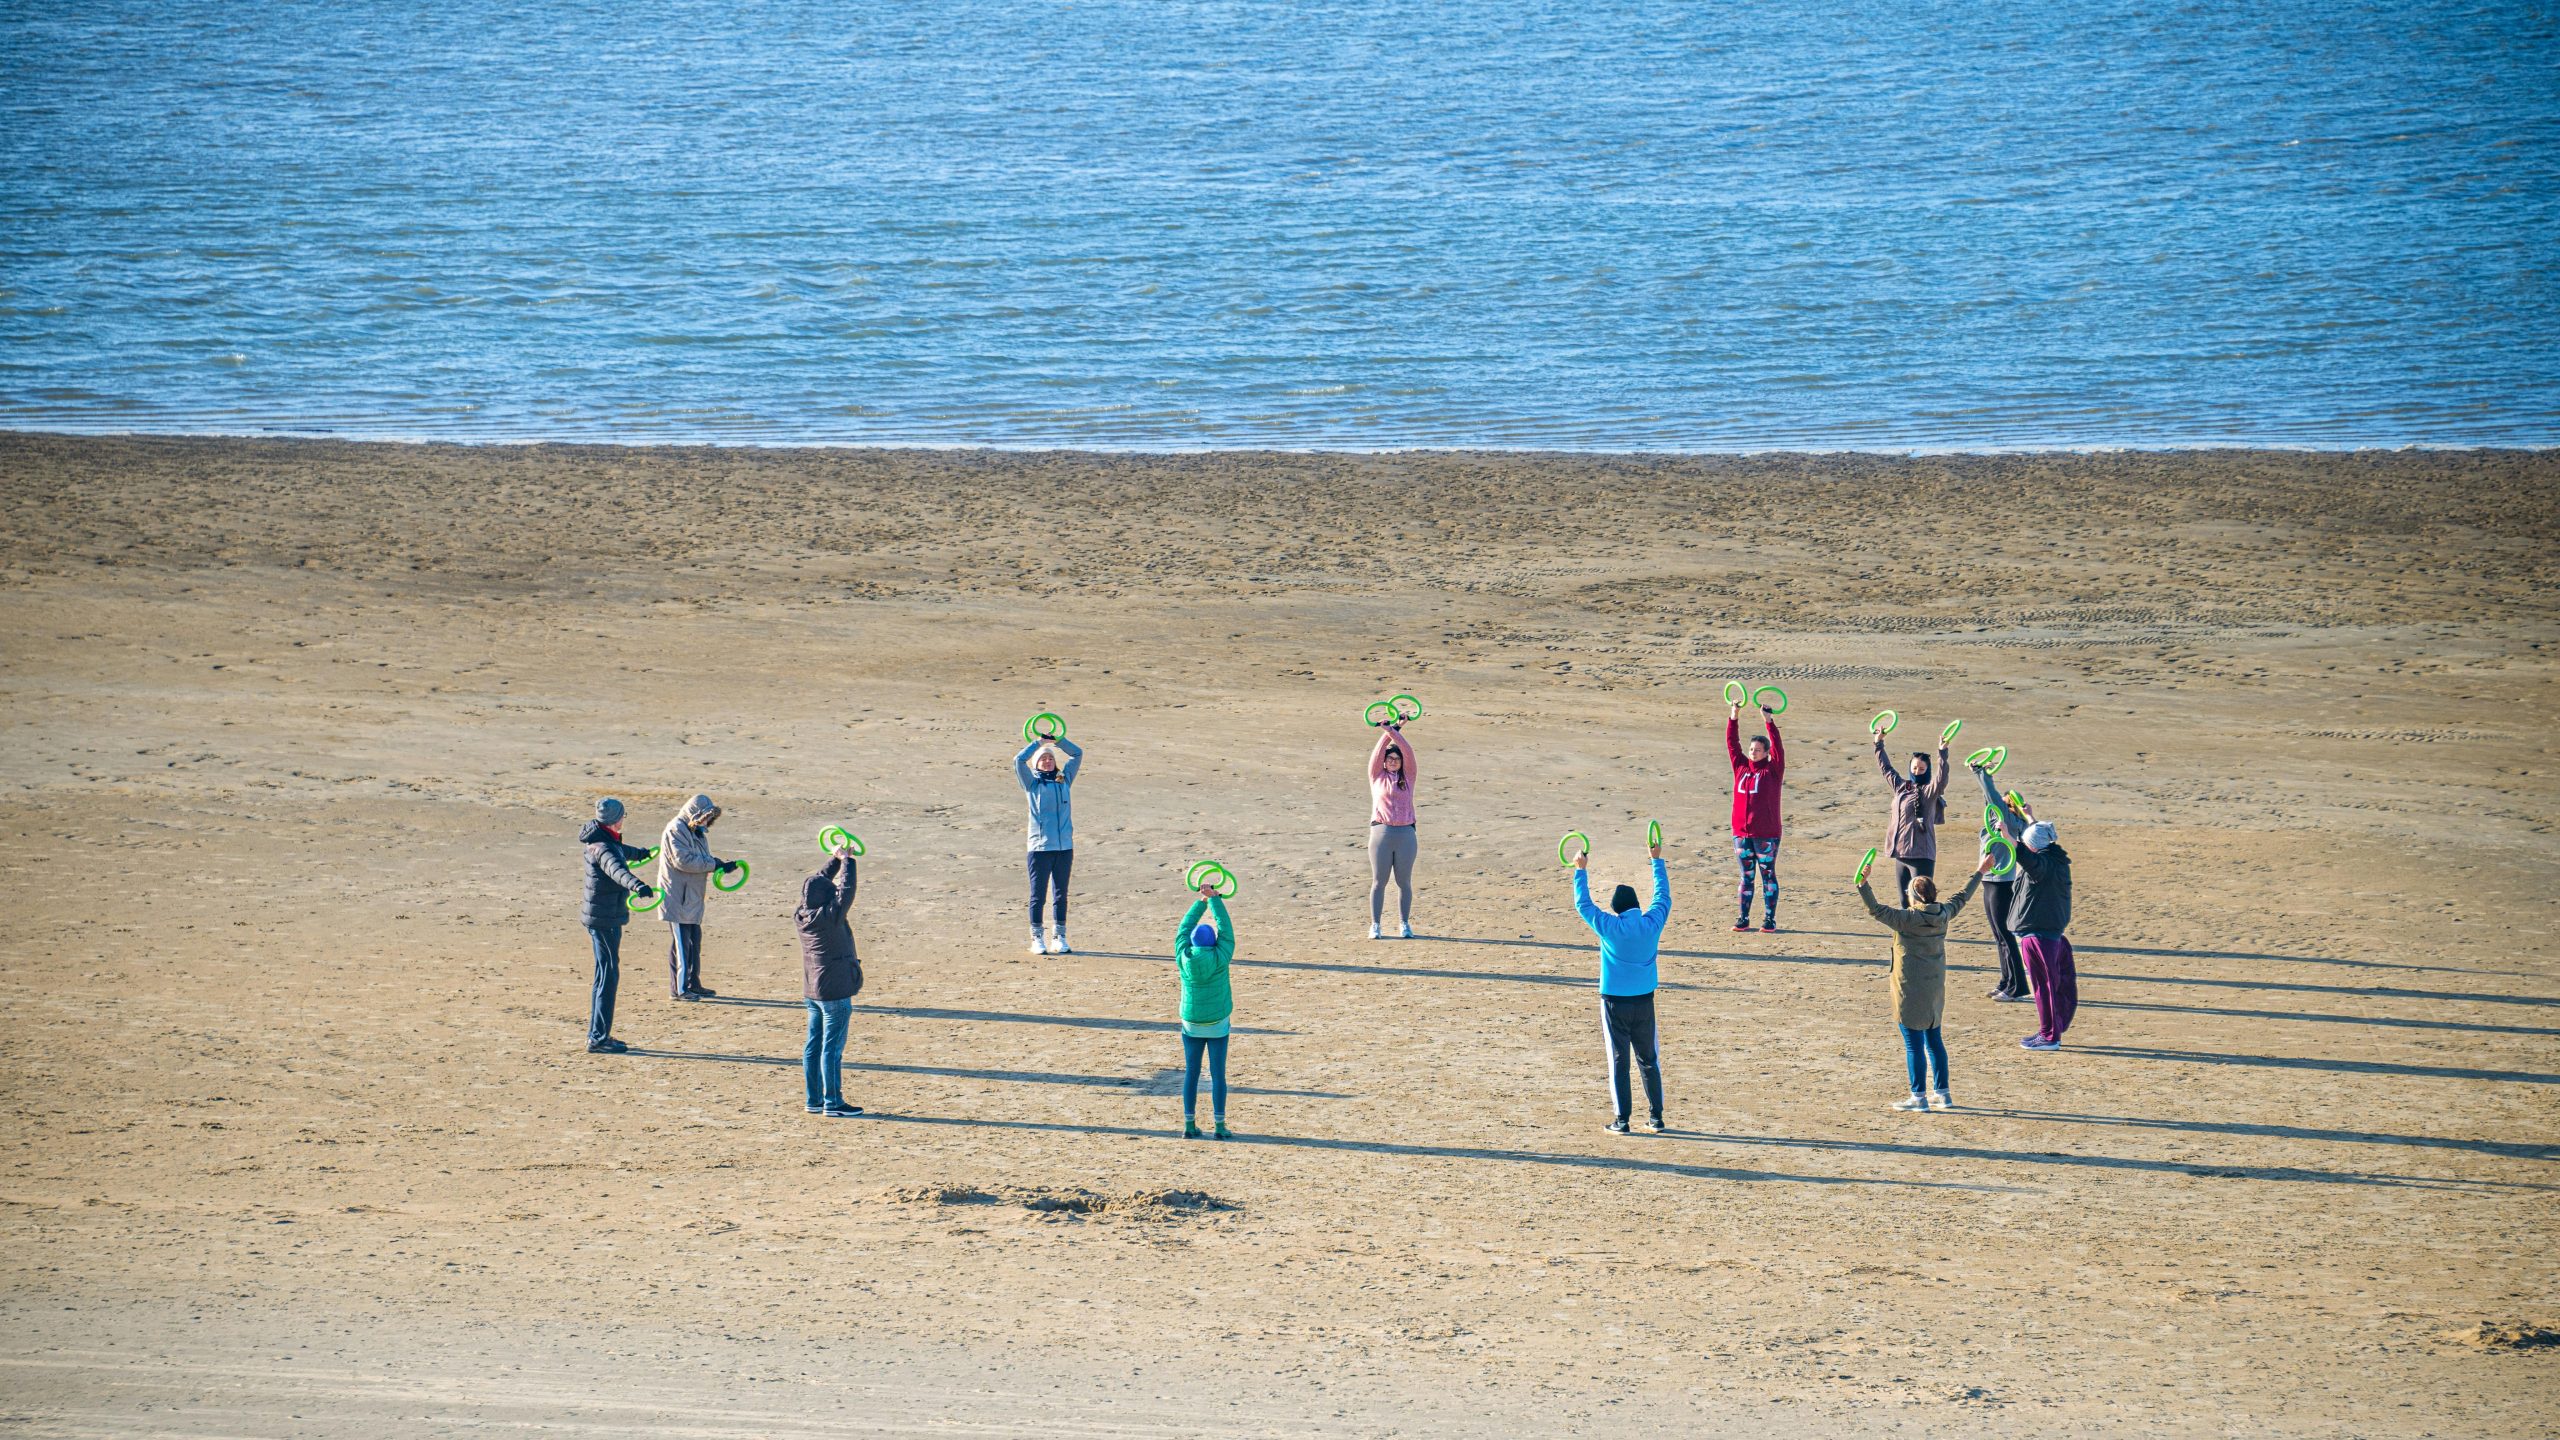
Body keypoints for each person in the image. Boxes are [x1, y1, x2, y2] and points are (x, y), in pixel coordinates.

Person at [1858, 852, 1992, 1111]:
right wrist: (1980, 871)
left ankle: (1918, 1097)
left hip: (1909, 988)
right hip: (1934, 987)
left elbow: (1875, 909)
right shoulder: (1943, 913)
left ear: (1915, 896)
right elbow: (1962, 897)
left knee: (1913, 1044)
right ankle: (1942, 1094)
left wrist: (1863, 884)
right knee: (1934, 1040)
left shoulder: (1907, 920)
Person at [1572, 838, 1672, 1135]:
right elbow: (1663, 897)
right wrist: (1656, 860)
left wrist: (1580, 870)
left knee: (1618, 1060)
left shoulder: (1610, 926)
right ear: (1637, 907)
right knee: (1649, 1059)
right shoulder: (1651, 922)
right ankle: (1656, 1118)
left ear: (1616, 909)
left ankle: (1622, 1120)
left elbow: (1583, 905)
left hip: (1614, 1001)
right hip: (1645, 1001)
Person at [1978, 766, 2076, 1050]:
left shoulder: (2041, 866)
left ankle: (2049, 1036)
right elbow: (2041, 839)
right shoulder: (2056, 857)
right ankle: (2048, 1031)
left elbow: (2026, 855)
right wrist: (2030, 817)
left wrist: (2010, 838)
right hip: (2047, 932)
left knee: (2044, 987)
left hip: (2039, 934)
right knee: (2049, 986)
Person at [576, 798, 655, 1054]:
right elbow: (616, 869)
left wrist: (642, 853)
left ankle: (597, 1035)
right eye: (623, 816)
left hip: (601, 917)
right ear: (615, 819)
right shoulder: (603, 848)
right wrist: (638, 886)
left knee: (604, 974)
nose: (624, 820)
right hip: (605, 919)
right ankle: (598, 1038)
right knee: (607, 977)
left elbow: (622, 852)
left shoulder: (602, 838)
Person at [796, 840, 864, 1118]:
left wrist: (835, 859)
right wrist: (848, 862)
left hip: (812, 990)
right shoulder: (830, 916)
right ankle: (833, 1103)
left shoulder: (802, 912)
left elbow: (818, 883)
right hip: (834, 991)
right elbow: (846, 891)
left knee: (813, 1045)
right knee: (831, 1049)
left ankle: (814, 1100)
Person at [656, 794, 738, 1000]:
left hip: (691, 897)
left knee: (694, 941)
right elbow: (683, 861)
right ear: (695, 813)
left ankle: (693, 982)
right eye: (704, 817)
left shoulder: (696, 832)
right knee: (681, 945)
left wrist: (719, 864)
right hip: (678, 898)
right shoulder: (677, 829)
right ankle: (680, 990)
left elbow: (701, 859)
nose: (706, 821)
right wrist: (714, 864)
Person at [1174, 879, 1236, 1140]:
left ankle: (1189, 1124)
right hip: (1218, 1023)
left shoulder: (1183, 956)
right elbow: (1227, 930)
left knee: (1192, 1072)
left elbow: (1183, 929)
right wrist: (1215, 899)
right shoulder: (1221, 956)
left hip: (1192, 1023)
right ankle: (1219, 1126)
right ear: (1214, 943)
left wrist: (1201, 900)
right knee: (1218, 1075)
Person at [1015, 731, 1086, 955]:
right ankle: (1037, 938)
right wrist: (1038, 743)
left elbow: (1077, 754)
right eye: (1044, 758)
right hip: (1039, 849)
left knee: (1060, 894)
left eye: (1051, 758)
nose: (1048, 761)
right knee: (1038, 895)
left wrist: (1058, 742)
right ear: (1037, 763)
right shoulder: (1032, 784)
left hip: (1064, 848)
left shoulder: (1063, 780)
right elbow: (1018, 760)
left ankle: (1059, 936)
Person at [1725, 698, 1784, 932]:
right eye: (1751, 750)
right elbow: (1731, 743)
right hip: (1741, 833)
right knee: (1746, 877)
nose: (1753, 753)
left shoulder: (1773, 770)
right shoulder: (1740, 766)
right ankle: (1743, 918)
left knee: (1768, 875)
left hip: (1767, 835)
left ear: (1766, 753)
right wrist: (1734, 713)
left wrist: (1768, 721)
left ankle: (1769, 920)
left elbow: (1779, 749)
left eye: (1758, 750)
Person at [1874, 730, 1951, 904]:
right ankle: (1903, 933)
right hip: (1901, 854)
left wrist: (1942, 753)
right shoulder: (1901, 787)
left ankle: (1927, 932)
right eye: (1914, 767)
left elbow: (1941, 779)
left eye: (1922, 768)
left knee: (1923, 903)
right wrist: (1878, 744)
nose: (1917, 771)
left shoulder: (1929, 792)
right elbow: (1886, 768)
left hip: (1922, 856)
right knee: (1904, 902)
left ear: (1927, 770)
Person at [1367, 721, 1419, 940]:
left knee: (1403, 882)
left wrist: (1394, 730)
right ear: (1385, 762)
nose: (1393, 761)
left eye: (1397, 759)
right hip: (1382, 834)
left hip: (1406, 835)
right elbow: (1377, 753)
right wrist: (1389, 731)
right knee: (1379, 882)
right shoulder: (1376, 777)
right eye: (1389, 758)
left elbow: (1407, 750)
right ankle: (1375, 925)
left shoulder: (1409, 777)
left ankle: (1404, 924)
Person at [1979, 795, 2029, 1002]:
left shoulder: (2009, 821)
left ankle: (2017, 987)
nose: (2000, 799)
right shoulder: (1994, 818)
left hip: (2001, 883)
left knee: (2006, 937)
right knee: (1999, 936)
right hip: (1988, 881)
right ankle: (2006, 981)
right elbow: (1988, 799)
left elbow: (1989, 791)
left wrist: (1981, 771)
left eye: (2005, 799)